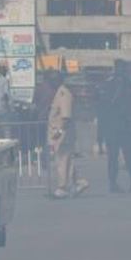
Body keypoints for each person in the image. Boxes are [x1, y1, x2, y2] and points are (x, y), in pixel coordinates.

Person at [100, 60, 131, 193]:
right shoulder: (126, 83)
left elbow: (102, 107)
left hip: (111, 127)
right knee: (130, 155)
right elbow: (129, 106)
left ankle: (113, 184)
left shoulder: (107, 83)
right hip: (124, 126)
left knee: (113, 157)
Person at [46, 70, 88, 198]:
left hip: (62, 133)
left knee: (63, 160)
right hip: (60, 132)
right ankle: (77, 183)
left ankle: (63, 187)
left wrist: (59, 132)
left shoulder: (64, 94)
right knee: (66, 160)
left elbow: (66, 116)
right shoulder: (60, 92)